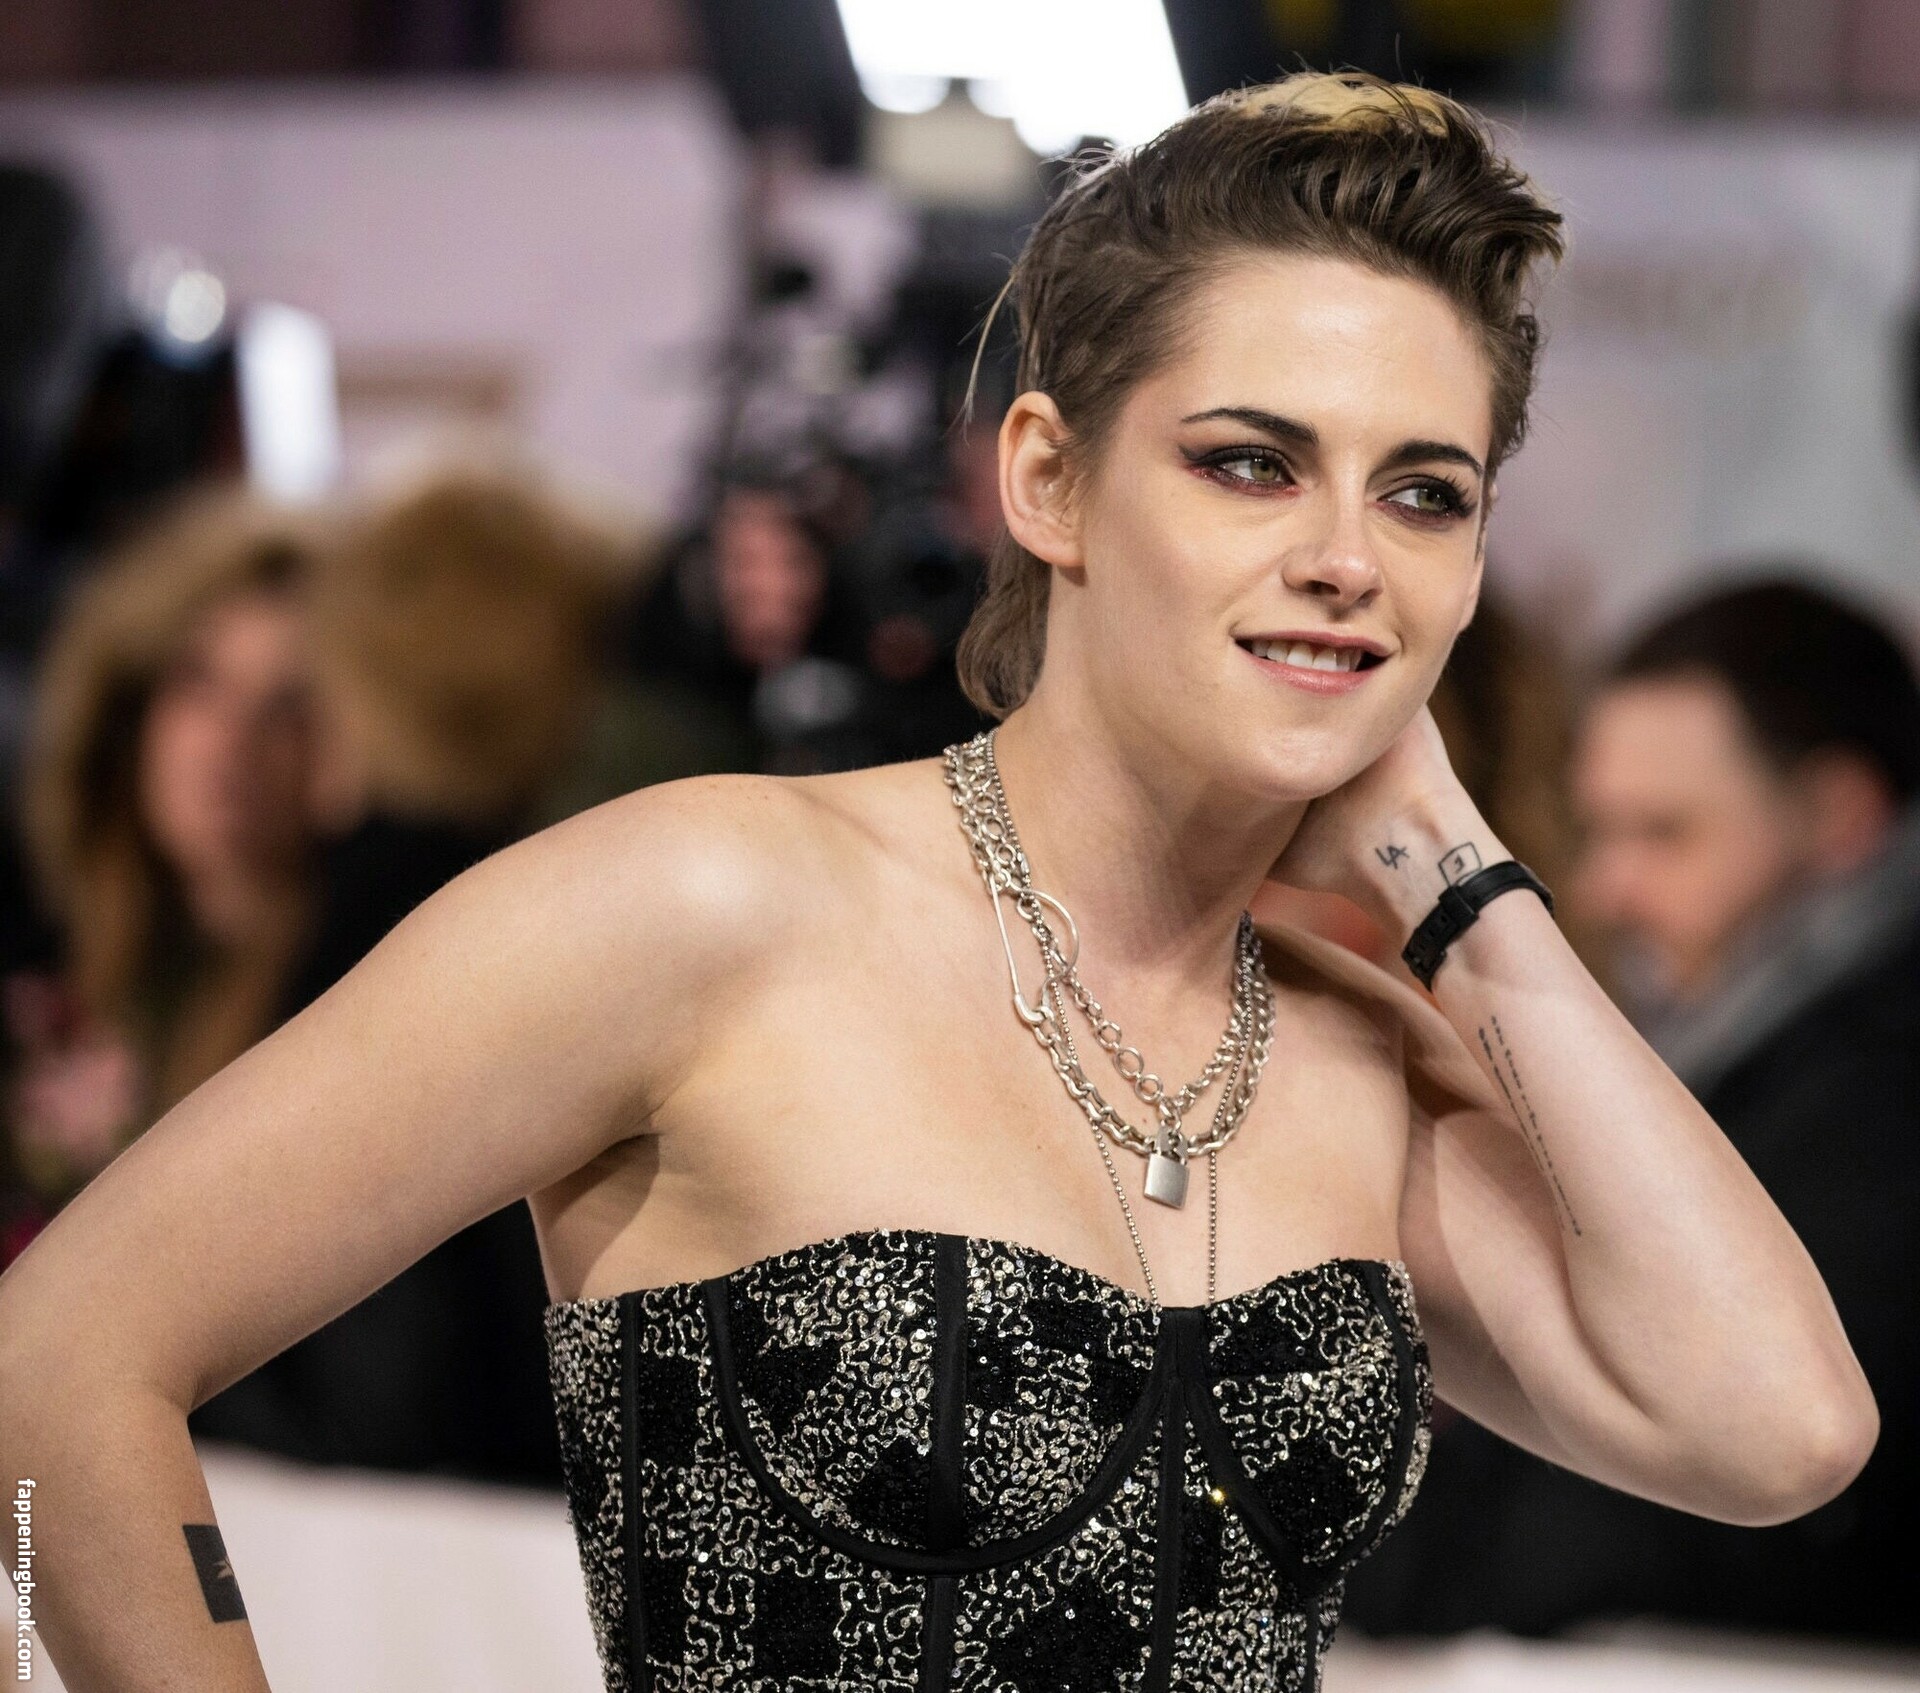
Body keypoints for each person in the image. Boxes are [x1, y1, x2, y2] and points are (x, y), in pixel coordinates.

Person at [0, 74, 1878, 1692]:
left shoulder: (1367, 1050)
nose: (1344, 556)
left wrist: (1451, 864)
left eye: (1424, 493)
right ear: (1049, 480)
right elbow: (53, 1363)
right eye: (1251, 464)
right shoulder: (710, 901)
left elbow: (1780, 1428)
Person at [1346, 574, 1920, 1644]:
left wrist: (1389, 1566)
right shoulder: (1739, 1042)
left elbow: (1720, 1480)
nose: (1607, 889)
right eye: (1598, 831)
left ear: (1840, 814)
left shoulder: (1875, 1099)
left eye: (1665, 833)